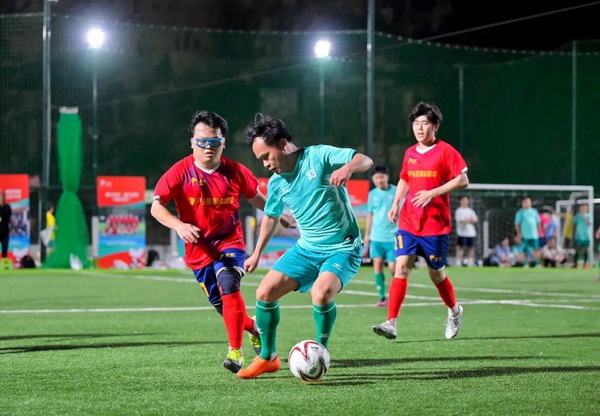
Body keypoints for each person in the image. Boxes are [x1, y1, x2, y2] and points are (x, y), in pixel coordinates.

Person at [151, 110, 294, 374]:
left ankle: (235, 351)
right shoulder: (179, 171)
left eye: (214, 142)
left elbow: (254, 196)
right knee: (224, 306)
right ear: (192, 142)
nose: (208, 147)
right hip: (199, 251)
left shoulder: (236, 171)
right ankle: (254, 328)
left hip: (230, 243)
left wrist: (279, 215)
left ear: (223, 143)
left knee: (229, 285)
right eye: (202, 141)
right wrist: (179, 225)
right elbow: (156, 206)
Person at [236, 114, 373, 379]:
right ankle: (268, 357)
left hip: (343, 248)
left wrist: (347, 168)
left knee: (321, 293)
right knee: (264, 293)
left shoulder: (318, 156)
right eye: (261, 160)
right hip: (307, 249)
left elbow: (364, 160)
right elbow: (271, 217)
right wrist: (256, 253)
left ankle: (322, 350)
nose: (266, 164)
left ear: (282, 144)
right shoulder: (277, 183)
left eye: (266, 156)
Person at [371, 102, 468, 342]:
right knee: (401, 267)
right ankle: (391, 322)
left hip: (435, 225)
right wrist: (396, 203)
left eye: (425, 123)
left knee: (436, 274)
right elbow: (405, 178)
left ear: (435, 126)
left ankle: (454, 310)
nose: (420, 128)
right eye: (416, 123)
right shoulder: (410, 153)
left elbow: (463, 180)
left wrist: (433, 193)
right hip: (408, 222)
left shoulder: (446, 151)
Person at [364, 165, 397, 307]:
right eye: (376, 177)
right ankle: (383, 297)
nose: (379, 180)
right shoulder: (372, 194)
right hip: (376, 237)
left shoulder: (397, 191)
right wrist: (367, 235)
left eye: (381, 177)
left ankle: (396, 293)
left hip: (393, 237)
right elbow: (370, 215)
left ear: (387, 177)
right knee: (377, 265)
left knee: (393, 267)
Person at [514, 197, 541, 267]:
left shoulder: (534, 211)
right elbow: (517, 224)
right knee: (525, 250)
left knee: (536, 249)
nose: (527, 204)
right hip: (525, 235)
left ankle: (537, 263)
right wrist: (519, 234)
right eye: (525, 202)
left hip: (534, 235)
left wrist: (539, 231)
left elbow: (538, 222)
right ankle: (525, 263)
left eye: (528, 202)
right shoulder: (520, 212)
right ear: (522, 203)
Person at [454, 195, 478, 266]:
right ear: (460, 201)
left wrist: (468, 220)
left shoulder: (471, 211)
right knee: (460, 247)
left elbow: (475, 219)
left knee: (471, 247)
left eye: (466, 200)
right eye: (463, 200)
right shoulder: (458, 211)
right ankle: (458, 262)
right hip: (462, 233)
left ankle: (470, 262)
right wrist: (469, 220)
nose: (465, 202)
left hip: (471, 233)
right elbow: (461, 220)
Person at [571, 204, 592, 269]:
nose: (583, 209)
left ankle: (585, 263)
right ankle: (575, 263)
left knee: (586, 249)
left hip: (586, 236)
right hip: (578, 236)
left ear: (587, 208)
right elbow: (573, 223)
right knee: (577, 249)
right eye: (582, 208)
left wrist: (584, 216)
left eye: (584, 208)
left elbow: (589, 223)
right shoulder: (577, 216)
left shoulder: (589, 215)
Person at [0, 189, 12, 258]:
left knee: (4, 250)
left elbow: (8, 218)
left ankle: (4, 262)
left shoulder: (7, 207)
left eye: (1, 196)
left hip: (5, 232)